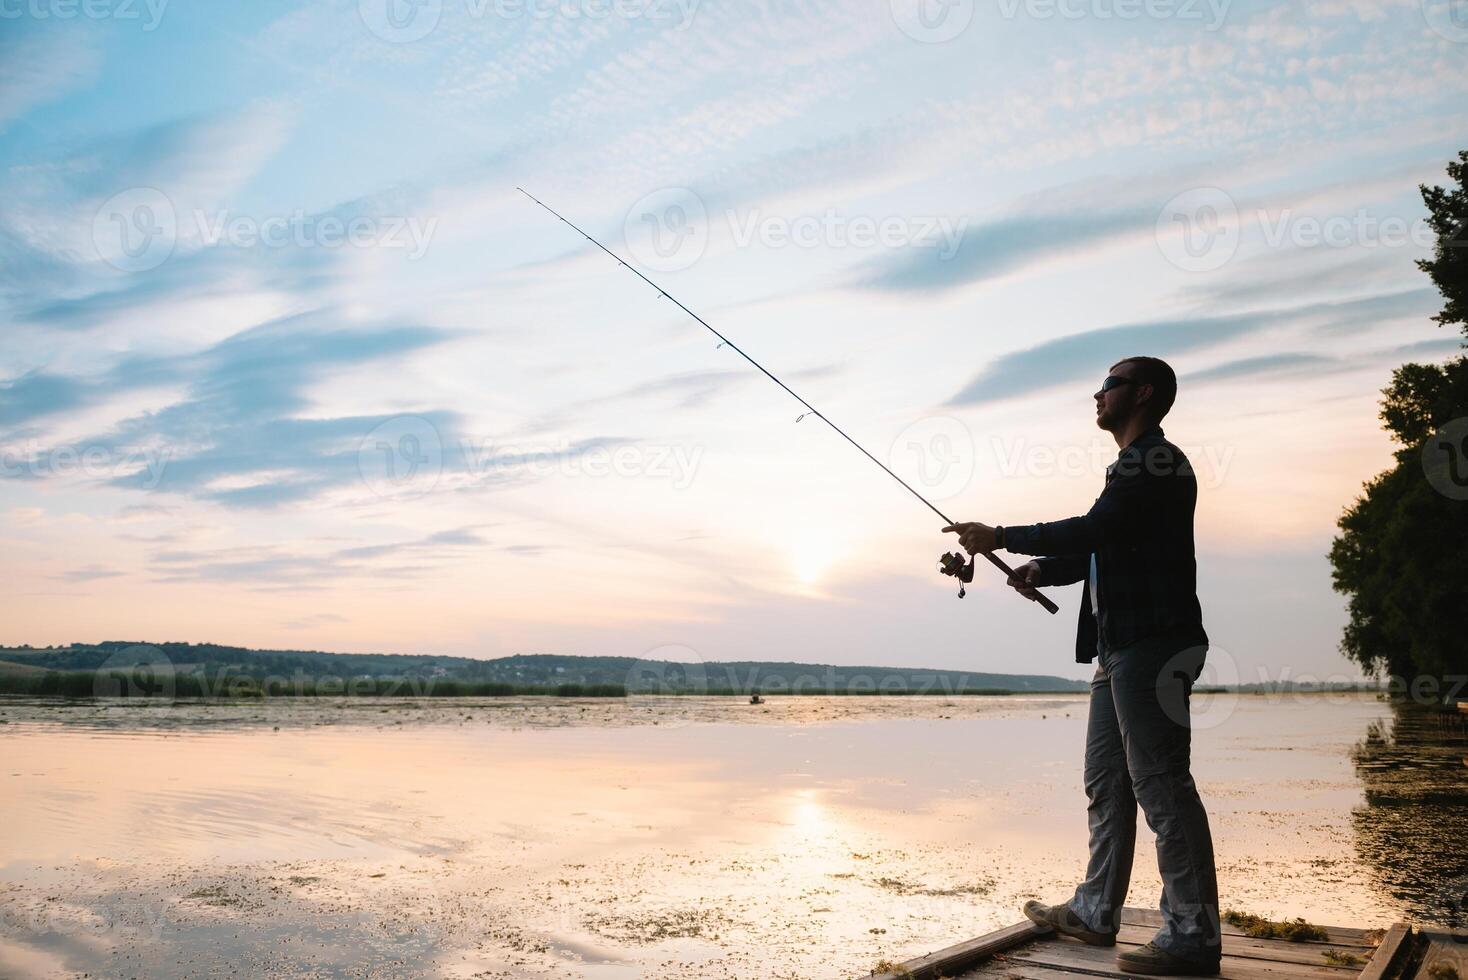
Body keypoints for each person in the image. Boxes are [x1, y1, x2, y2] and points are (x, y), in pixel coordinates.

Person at [942, 355, 1222, 976]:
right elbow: (1106, 543)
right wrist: (1044, 570)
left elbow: (1098, 525)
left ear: (1142, 393)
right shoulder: (1132, 466)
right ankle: (1096, 912)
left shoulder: (1155, 460)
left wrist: (1003, 535)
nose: (1096, 395)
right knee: (1108, 782)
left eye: (1108, 385)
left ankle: (1193, 938)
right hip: (1118, 649)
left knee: (1162, 785)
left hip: (1154, 644)